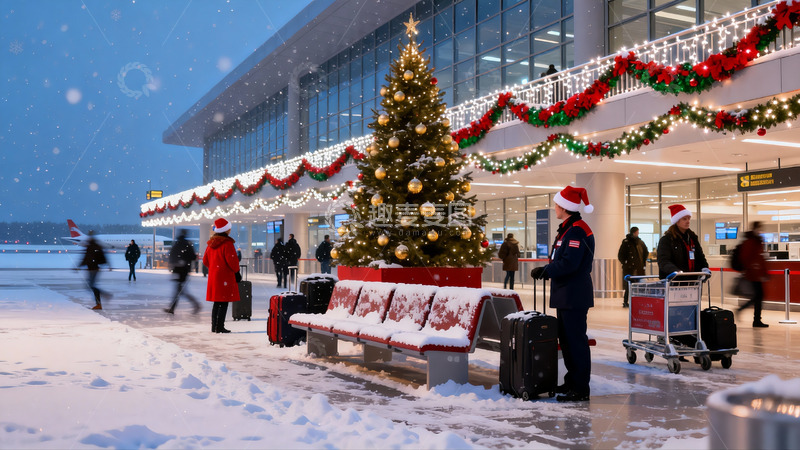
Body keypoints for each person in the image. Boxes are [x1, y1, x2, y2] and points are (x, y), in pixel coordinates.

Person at [530, 186, 595, 402]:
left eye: (556, 205)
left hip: (574, 295)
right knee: (567, 341)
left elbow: (569, 263)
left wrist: (545, 271)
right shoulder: (567, 229)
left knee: (576, 341)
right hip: (566, 294)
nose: (554, 208)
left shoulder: (576, 230)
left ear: (565, 207)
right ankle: (571, 381)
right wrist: (548, 269)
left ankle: (580, 388)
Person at [202, 218, 242, 333]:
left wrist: (214, 267)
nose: (230, 230)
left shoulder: (210, 244)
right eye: (229, 228)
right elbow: (232, 261)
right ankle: (220, 327)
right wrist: (236, 272)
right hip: (225, 276)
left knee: (217, 302)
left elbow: (205, 261)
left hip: (215, 276)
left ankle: (214, 326)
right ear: (225, 230)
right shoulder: (227, 244)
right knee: (224, 302)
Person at [656, 205, 710, 279]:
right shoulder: (667, 240)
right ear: (677, 221)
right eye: (684, 219)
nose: (688, 221)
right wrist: (676, 271)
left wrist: (705, 268)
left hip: (693, 281)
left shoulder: (692, 238)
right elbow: (663, 261)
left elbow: (700, 257)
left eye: (689, 218)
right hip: (674, 282)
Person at [737, 221, 769, 328]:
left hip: (757, 274)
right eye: (759, 228)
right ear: (755, 229)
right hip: (752, 274)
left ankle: (755, 319)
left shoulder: (757, 241)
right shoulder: (750, 241)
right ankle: (756, 320)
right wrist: (754, 267)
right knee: (758, 296)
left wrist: (764, 272)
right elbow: (746, 258)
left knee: (758, 296)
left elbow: (761, 258)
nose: (760, 231)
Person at [165, 230, 200, 315]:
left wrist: (172, 265)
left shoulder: (177, 244)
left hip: (177, 269)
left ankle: (173, 308)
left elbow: (172, 255)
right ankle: (195, 305)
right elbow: (192, 256)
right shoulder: (187, 244)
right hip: (184, 270)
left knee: (180, 290)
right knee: (180, 290)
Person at [78, 231, 112, 310]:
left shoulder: (91, 246)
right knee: (91, 286)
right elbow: (101, 256)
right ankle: (101, 300)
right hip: (93, 268)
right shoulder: (95, 245)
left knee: (91, 286)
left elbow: (86, 258)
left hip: (93, 268)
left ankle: (101, 301)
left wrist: (80, 266)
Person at [617, 227, 649, 308]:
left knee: (639, 286)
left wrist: (643, 263)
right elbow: (620, 255)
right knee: (629, 285)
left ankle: (638, 301)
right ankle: (626, 301)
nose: (638, 233)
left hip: (639, 268)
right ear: (634, 232)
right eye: (637, 232)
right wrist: (625, 263)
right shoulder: (626, 242)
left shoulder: (640, 242)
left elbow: (646, 252)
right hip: (629, 269)